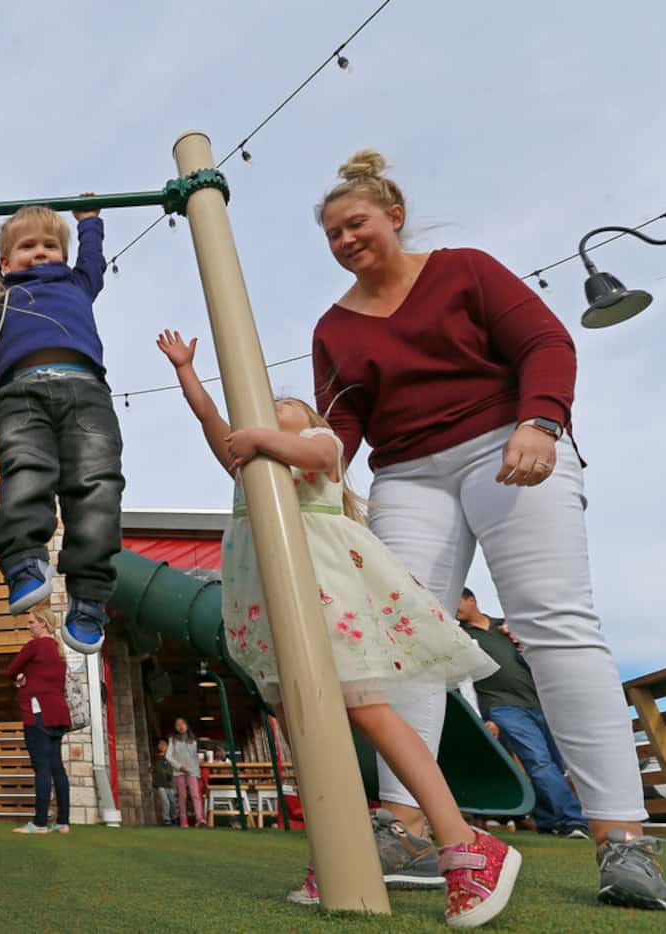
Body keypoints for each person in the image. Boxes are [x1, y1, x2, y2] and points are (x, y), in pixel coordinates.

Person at [309, 149, 666, 912]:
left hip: (506, 443)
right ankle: (406, 828)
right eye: (333, 234)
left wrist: (540, 420)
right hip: (407, 472)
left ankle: (623, 841)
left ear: (393, 216)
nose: (345, 240)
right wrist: (298, 458)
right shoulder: (333, 327)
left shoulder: (464, 270)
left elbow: (544, 343)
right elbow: (339, 424)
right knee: (398, 641)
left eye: (356, 224)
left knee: (554, 624)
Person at [158, 331, 516, 927]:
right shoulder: (246, 463)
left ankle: (465, 843)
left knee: (368, 710)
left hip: (322, 597)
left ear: (308, 420)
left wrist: (265, 435)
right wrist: (187, 372)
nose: (273, 410)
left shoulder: (317, 443)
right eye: (264, 411)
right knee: (303, 728)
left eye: (286, 408)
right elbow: (209, 418)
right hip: (272, 610)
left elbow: (323, 457)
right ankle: (340, 851)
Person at [0, 202, 123, 654]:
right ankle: (23, 560)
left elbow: (92, 258)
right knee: (24, 471)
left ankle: (89, 594)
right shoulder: (0, 289)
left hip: (85, 391)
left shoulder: (77, 282)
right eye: (28, 246)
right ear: (8, 259)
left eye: (50, 246)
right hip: (21, 392)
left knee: (96, 484)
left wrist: (88, 222)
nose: (40, 253)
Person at [457, 587, 589, 839]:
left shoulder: (506, 627)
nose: (452, 608)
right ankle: (573, 820)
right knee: (537, 761)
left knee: (553, 763)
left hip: (539, 701)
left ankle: (548, 819)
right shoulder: (459, 637)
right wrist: (481, 717)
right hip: (501, 706)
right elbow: (464, 681)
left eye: (456, 601)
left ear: (471, 599)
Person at [6, 605, 71, 834]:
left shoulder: (35, 646)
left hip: (39, 714)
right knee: (57, 767)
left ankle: (40, 823)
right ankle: (63, 822)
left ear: (43, 623)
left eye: (31, 622)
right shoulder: (58, 649)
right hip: (59, 714)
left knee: (42, 768)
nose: (28, 626)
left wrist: (20, 679)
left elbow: (11, 670)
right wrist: (27, 678)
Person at [166, 717, 205, 829]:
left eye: (182, 723)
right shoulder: (172, 739)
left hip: (192, 771)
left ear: (187, 725)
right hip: (179, 771)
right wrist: (179, 767)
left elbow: (195, 757)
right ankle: (184, 821)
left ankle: (200, 819)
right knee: (182, 796)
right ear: (175, 727)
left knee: (195, 795)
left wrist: (197, 771)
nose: (180, 726)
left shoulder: (193, 740)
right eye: (177, 724)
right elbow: (168, 756)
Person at [153, 738, 177, 826]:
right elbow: (154, 768)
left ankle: (174, 817)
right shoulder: (155, 757)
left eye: (164, 744)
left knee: (173, 801)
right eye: (160, 744)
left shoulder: (171, 757)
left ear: (168, 746)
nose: (162, 746)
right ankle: (166, 819)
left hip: (170, 783)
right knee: (165, 801)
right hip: (160, 783)